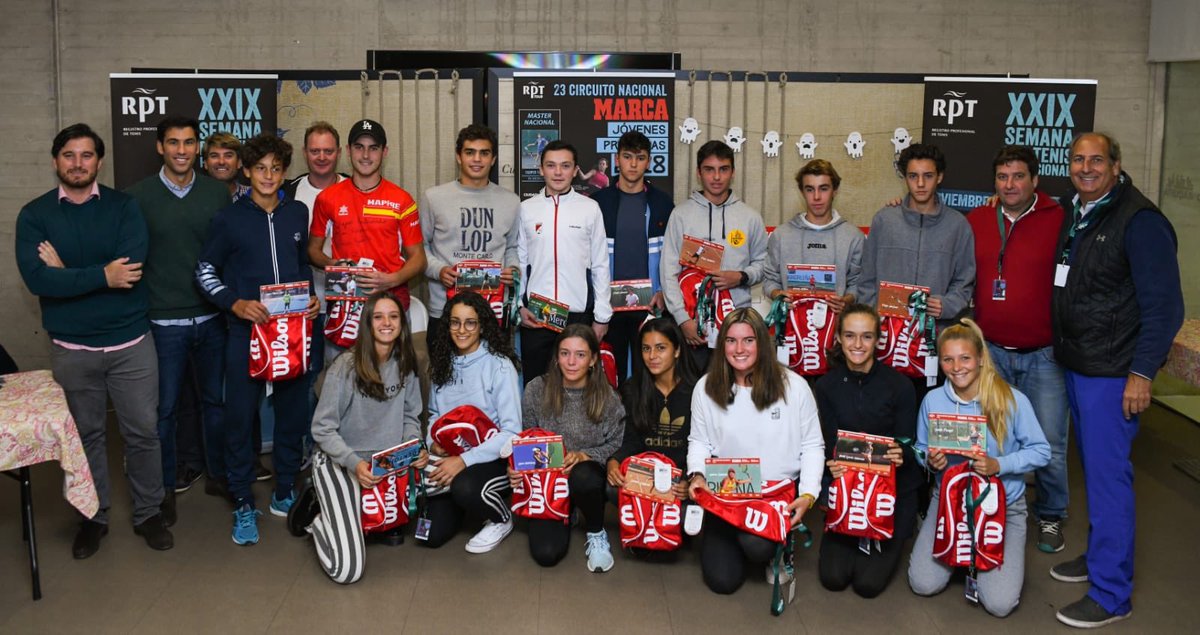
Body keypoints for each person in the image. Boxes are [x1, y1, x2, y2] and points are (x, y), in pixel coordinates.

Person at [16, 123, 173, 557]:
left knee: (142, 432)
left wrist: (66, 274)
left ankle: (148, 513)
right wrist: (101, 275)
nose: (78, 163)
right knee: (86, 436)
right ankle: (92, 516)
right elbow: (36, 279)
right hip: (72, 350)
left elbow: (131, 269)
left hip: (130, 345)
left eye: (87, 155)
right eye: (69, 155)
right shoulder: (34, 215)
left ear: (99, 162)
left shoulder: (125, 207)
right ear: (55, 161)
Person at [1049, 132, 1184, 629]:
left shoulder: (1140, 221)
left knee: (1109, 481)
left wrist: (1141, 373)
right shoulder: (1080, 209)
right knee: (1096, 474)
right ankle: (1101, 556)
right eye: (1078, 160)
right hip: (1079, 363)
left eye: (1096, 160)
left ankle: (1111, 593)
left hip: (1112, 374)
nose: (1086, 168)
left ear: (1116, 164)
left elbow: (1166, 308)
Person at [196, 133, 319, 546]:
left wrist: (311, 298)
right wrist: (236, 304)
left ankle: (285, 490)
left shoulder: (297, 213)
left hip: (293, 332)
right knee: (239, 418)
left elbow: (301, 266)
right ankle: (243, 501)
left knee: (292, 415)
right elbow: (205, 272)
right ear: (247, 171)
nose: (268, 176)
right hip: (245, 333)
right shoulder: (228, 219)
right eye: (260, 168)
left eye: (276, 169)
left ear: (285, 172)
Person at [907, 318, 1050, 618]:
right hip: (948, 502)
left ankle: (973, 553)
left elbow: (1042, 451)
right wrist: (929, 460)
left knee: (998, 604)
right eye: (948, 359)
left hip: (1002, 506)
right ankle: (962, 548)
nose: (957, 367)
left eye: (965, 358)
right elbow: (920, 447)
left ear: (981, 358)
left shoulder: (1012, 399)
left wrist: (1000, 464)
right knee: (922, 583)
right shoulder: (933, 400)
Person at [126, 116, 231, 525]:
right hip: (162, 323)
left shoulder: (216, 194)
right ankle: (164, 487)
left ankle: (218, 474)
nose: (182, 150)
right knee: (164, 410)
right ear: (160, 148)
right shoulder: (137, 198)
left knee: (214, 403)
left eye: (189, 143)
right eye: (174, 143)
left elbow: (226, 254)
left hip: (211, 319)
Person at [966, 145, 1069, 554]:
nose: (1010, 185)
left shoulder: (1059, 219)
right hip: (991, 353)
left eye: (1019, 177)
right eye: (1003, 177)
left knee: (1049, 442)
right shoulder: (976, 220)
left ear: (1035, 180)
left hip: (1044, 353)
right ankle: (995, 508)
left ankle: (1051, 515)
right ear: (994, 182)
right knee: (990, 437)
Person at [686, 308, 824, 594]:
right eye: (731, 341)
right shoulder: (705, 388)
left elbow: (813, 445)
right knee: (722, 581)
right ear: (721, 343)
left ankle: (777, 548)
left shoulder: (794, 387)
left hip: (775, 494)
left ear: (762, 342)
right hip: (726, 491)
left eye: (748, 340)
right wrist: (697, 474)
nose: (740, 349)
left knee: (757, 546)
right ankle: (736, 535)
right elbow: (698, 441)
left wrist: (808, 494)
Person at [299, 291, 427, 584]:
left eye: (393, 317)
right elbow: (322, 429)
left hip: (386, 460)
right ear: (367, 324)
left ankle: (352, 513)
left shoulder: (406, 361)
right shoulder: (346, 366)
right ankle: (318, 520)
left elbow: (410, 416)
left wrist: (413, 447)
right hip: (341, 460)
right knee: (348, 571)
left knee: (440, 474)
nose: (386, 323)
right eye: (378, 317)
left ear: (402, 324)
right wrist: (354, 463)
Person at [814, 304, 917, 598]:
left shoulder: (900, 386)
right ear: (838, 338)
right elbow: (828, 443)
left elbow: (909, 445)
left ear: (878, 340)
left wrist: (902, 453)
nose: (857, 345)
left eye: (866, 337)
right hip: (848, 491)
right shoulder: (826, 386)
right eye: (850, 336)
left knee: (867, 585)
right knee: (833, 578)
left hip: (890, 493)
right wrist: (830, 464)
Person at [515, 324, 625, 571]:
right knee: (546, 554)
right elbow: (528, 439)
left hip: (587, 476)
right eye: (565, 353)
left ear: (594, 359)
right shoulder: (535, 390)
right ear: (556, 357)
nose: (571, 362)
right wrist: (517, 469)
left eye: (580, 354)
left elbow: (616, 442)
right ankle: (570, 512)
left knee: (584, 476)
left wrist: (585, 455)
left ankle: (596, 532)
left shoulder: (607, 397)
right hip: (547, 482)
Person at [422, 291, 522, 553]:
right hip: (451, 458)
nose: (462, 330)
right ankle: (462, 500)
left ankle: (501, 517)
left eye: (470, 322)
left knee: (465, 486)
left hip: (493, 460)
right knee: (429, 535)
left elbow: (512, 433)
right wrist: (433, 443)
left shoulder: (499, 366)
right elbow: (433, 415)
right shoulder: (442, 365)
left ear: (482, 326)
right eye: (455, 322)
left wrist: (464, 461)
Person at [661, 141, 768, 370]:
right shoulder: (680, 215)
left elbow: (763, 264)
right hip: (692, 325)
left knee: (734, 392)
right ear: (699, 173)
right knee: (694, 393)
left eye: (723, 169)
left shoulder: (750, 217)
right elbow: (668, 271)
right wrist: (683, 319)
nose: (717, 177)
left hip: (736, 323)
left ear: (733, 172)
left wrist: (741, 276)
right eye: (709, 169)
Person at [308, 119, 427, 321]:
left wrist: (390, 280)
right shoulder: (327, 198)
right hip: (345, 302)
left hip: (390, 301)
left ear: (384, 152)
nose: (365, 155)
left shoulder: (402, 199)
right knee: (342, 355)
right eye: (359, 147)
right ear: (348, 150)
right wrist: (333, 263)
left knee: (391, 354)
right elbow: (312, 250)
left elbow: (419, 258)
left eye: (373, 148)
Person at [516, 140, 612, 383]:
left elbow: (601, 264)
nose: (558, 172)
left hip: (577, 317)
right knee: (535, 390)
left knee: (578, 395)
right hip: (536, 318)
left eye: (565, 166)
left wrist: (601, 316)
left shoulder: (590, 208)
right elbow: (519, 262)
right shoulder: (526, 209)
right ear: (541, 169)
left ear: (575, 169)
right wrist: (518, 306)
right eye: (551, 165)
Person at [592, 131, 674, 384]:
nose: (633, 164)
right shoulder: (598, 202)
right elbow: (590, 258)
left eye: (640, 158)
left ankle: (644, 425)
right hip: (609, 306)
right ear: (617, 159)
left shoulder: (662, 202)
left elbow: (671, 255)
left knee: (649, 379)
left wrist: (663, 291)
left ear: (648, 162)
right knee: (608, 377)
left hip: (649, 305)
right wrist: (598, 302)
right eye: (627, 157)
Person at [419, 124, 520, 325]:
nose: (477, 159)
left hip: (492, 310)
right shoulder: (433, 198)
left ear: (493, 159)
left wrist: (513, 269)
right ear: (458, 156)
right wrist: (438, 270)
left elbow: (511, 247)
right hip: (445, 311)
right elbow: (420, 247)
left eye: (484, 153)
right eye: (470, 152)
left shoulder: (511, 201)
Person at [284, 121, 348, 391]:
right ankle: (308, 435)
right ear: (304, 152)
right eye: (315, 151)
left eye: (328, 151)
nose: (321, 157)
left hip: (346, 305)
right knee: (306, 379)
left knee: (345, 377)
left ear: (339, 152)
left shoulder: (355, 188)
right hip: (304, 306)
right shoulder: (288, 193)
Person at [606, 318, 699, 499]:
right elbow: (632, 440)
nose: (652, 356)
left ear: (677, 350)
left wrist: (691, 478)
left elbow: (702, 444)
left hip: (682, 481)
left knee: (686, 517)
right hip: (646, 477)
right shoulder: (633, 389)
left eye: (661, 348)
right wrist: (614, 461)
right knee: (611, 488)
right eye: (646, 349)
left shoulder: (696, 391)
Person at [764, 159, 864, 312]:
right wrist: (778, 295)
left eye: (823, 188)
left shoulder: (853, 236)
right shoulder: (781, 235)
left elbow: (857, 283)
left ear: (835, 190)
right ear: (802, 192)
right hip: (792, 329)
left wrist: (846, 300)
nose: (816, 197)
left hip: (836, 330)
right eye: (810, 189)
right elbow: (770, 280)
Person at [203, 132, 249, 200]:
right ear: (205, 163)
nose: (221, 162)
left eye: (228, 156)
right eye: (214, 156)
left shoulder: (253, 196)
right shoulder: (195, 197)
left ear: (239, 162)